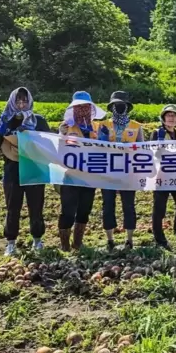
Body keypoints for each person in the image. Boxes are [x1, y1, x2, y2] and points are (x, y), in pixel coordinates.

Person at [0, 87, 51, 256]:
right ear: (12, 101)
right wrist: (3, 127)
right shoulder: (6, 119)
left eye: (24, 100)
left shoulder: (38, 120)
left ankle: (37, 240)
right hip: (12, 168)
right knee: (13, 206)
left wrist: (30, 136)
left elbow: (50, 143)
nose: (21, 104)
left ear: (30, 101)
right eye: (18, 101)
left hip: (34, 168)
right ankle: (10, 243)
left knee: (36, 205)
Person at [94, 91, 143, 251]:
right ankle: (110, 240)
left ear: (127, 107)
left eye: (122, 105)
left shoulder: (136, 127)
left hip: (129, 173)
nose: (119, 108)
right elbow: (96, 148)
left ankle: (129, 240)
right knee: (108, 204)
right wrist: (103, 139)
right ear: (112, 107)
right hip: (108, 172)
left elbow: (142, 150)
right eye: (116, 105)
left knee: (128, 205)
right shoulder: (103, 125)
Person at [58, 91, 106, 251]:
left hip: (89, 176)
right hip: (70, 176)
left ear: (91, 109)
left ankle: (78, 243)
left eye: (86, 107)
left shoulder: (98, 127)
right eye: (79, 107)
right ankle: (65, 245)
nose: (83, 110)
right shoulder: (67, 127)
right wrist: (61, 135)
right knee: (68, 210)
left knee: (85, 209)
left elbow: (105, 148)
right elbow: (58, 149)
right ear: (73, 109)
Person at [150, 104, 176, 249]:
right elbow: (153, 154)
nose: (171, 118)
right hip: (161, 176)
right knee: (160, 206)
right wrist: (159, 144)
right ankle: (159, 236)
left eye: (174, 116)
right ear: (163, 118)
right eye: (168, 115)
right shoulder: (157, 133)